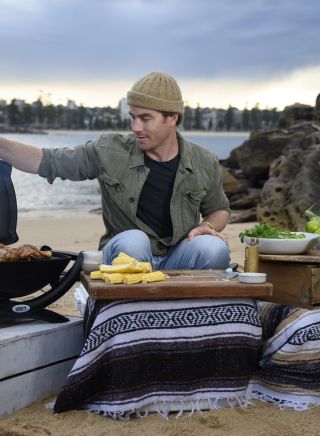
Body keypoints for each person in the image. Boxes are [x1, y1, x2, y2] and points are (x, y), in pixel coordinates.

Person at [0, 71, 231, 270]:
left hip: (177, 258)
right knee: (134, 241)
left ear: (172, 118)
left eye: (145, 119)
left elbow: (219, 209)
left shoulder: (204, 161)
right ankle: (130, 313)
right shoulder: (108, 150)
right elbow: (49, 161)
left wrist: (207, 227)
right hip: (125, 256)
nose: (135, 127)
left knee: (214, 247)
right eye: (133, 117)